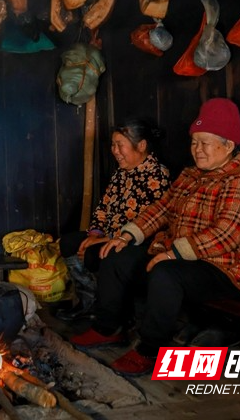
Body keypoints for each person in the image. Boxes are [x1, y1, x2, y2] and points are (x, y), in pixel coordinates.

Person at [70, 98, 240, 376]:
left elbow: (226, 235)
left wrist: (173, 254)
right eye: (194, 142)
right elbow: (162, 209)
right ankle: (107, 328)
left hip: (225, 269)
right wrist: (127, 235)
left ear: (229, 146)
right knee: (116, 254)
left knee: (165, 273)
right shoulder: (190, 176)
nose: (197, 149)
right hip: (181, 258)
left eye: (205, 143)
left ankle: (149, 350)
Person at [57, 118, 171, 320]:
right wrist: (94, 234)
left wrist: (104, 240)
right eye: (113, 145)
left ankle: (112, 310)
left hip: (137, 241)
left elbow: (144, 224)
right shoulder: (121, 173)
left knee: (95, 253)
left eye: (120, 145)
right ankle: (89, 301)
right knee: (68, 242)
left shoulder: (157, 176)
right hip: (109, 235)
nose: (115, 151)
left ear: (141, 145)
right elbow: (103, 207)